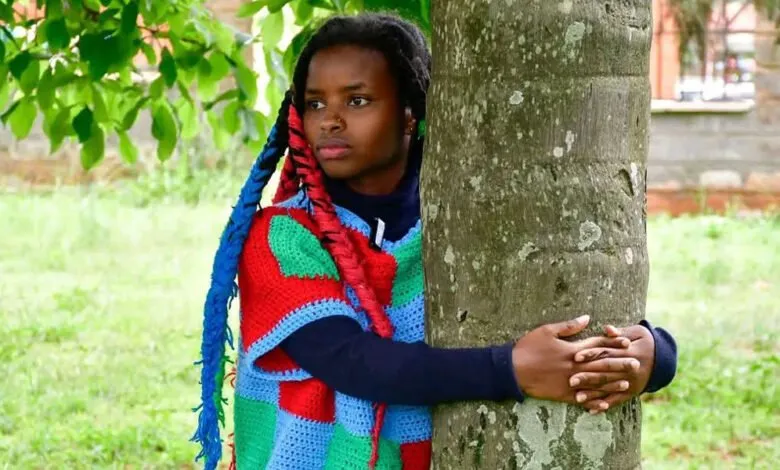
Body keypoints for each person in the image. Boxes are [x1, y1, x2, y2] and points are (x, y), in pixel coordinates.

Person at [191, 13, 677, 470]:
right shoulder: (283, 235)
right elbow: (351, 362)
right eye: (315, 103)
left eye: (356, 100)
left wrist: (653, 354)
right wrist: (507, 369)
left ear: (409, 113)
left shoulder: (463, 223)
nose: (330, 120)